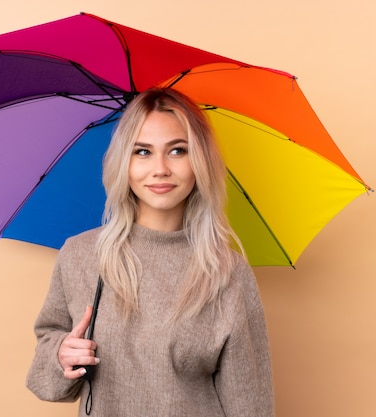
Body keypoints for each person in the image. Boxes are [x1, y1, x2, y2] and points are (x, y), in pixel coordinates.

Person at [26, 88, 274, 416]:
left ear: (200, 161)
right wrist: (61, 353)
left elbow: (250, 403)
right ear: (123, 162)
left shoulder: (227, 271)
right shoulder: (81, 256)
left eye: (177, 151)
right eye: (142, 151)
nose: (160, 169)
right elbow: (47, 365)